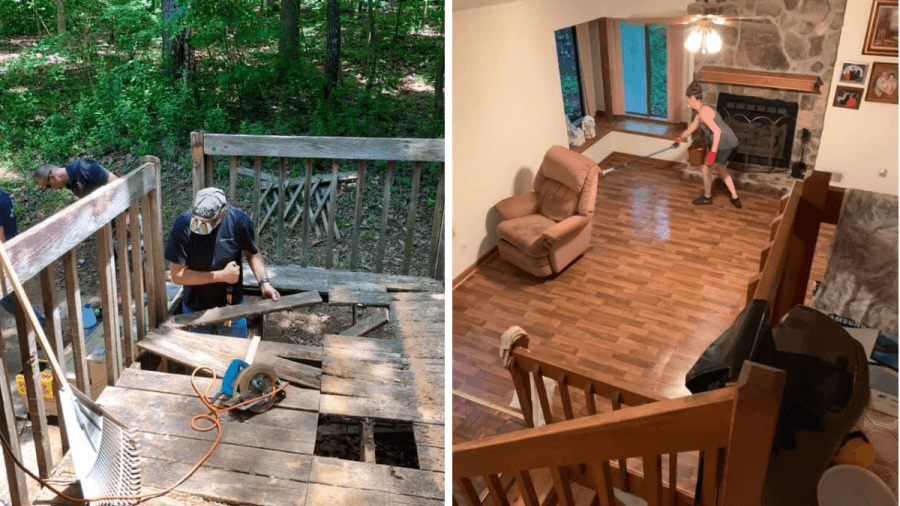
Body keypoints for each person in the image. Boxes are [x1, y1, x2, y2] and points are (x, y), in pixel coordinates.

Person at [164, 187, 279, 338]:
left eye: (208, 222)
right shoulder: (182, 226)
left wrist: (264, 283)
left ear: (222, 213)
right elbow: (178, 275)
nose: (200, 226)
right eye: (197, 220)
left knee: (236, 351)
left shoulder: (239, 221)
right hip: (195, 309)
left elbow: (252, 253)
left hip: (232, 307)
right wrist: (222, 276)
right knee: (198, 352)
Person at [675, 81, 742, 208]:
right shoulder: (701, 112)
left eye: (688, 99)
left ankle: (707, 198)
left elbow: (717, 132)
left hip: (724, 144)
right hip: (732, 142)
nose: (687, 102)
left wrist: (712, 153)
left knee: (706, 170)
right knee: (722, 169)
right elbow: (690, 129)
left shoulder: (703, 113)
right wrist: (678, 139)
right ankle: (735, 197)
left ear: (693, 98)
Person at [0, 189, 46, 325]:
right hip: (12, 250)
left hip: (5, 255)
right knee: (11, 299)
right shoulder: (2, 193)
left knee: (9, 300)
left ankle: (42, 326)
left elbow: (1, 238)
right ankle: (42, 325)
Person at [33, 159, 118, 198]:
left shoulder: (83, 167)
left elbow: (115, 181)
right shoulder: (70, 183)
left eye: (48, 186)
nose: (51, 189)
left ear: (52, 177)